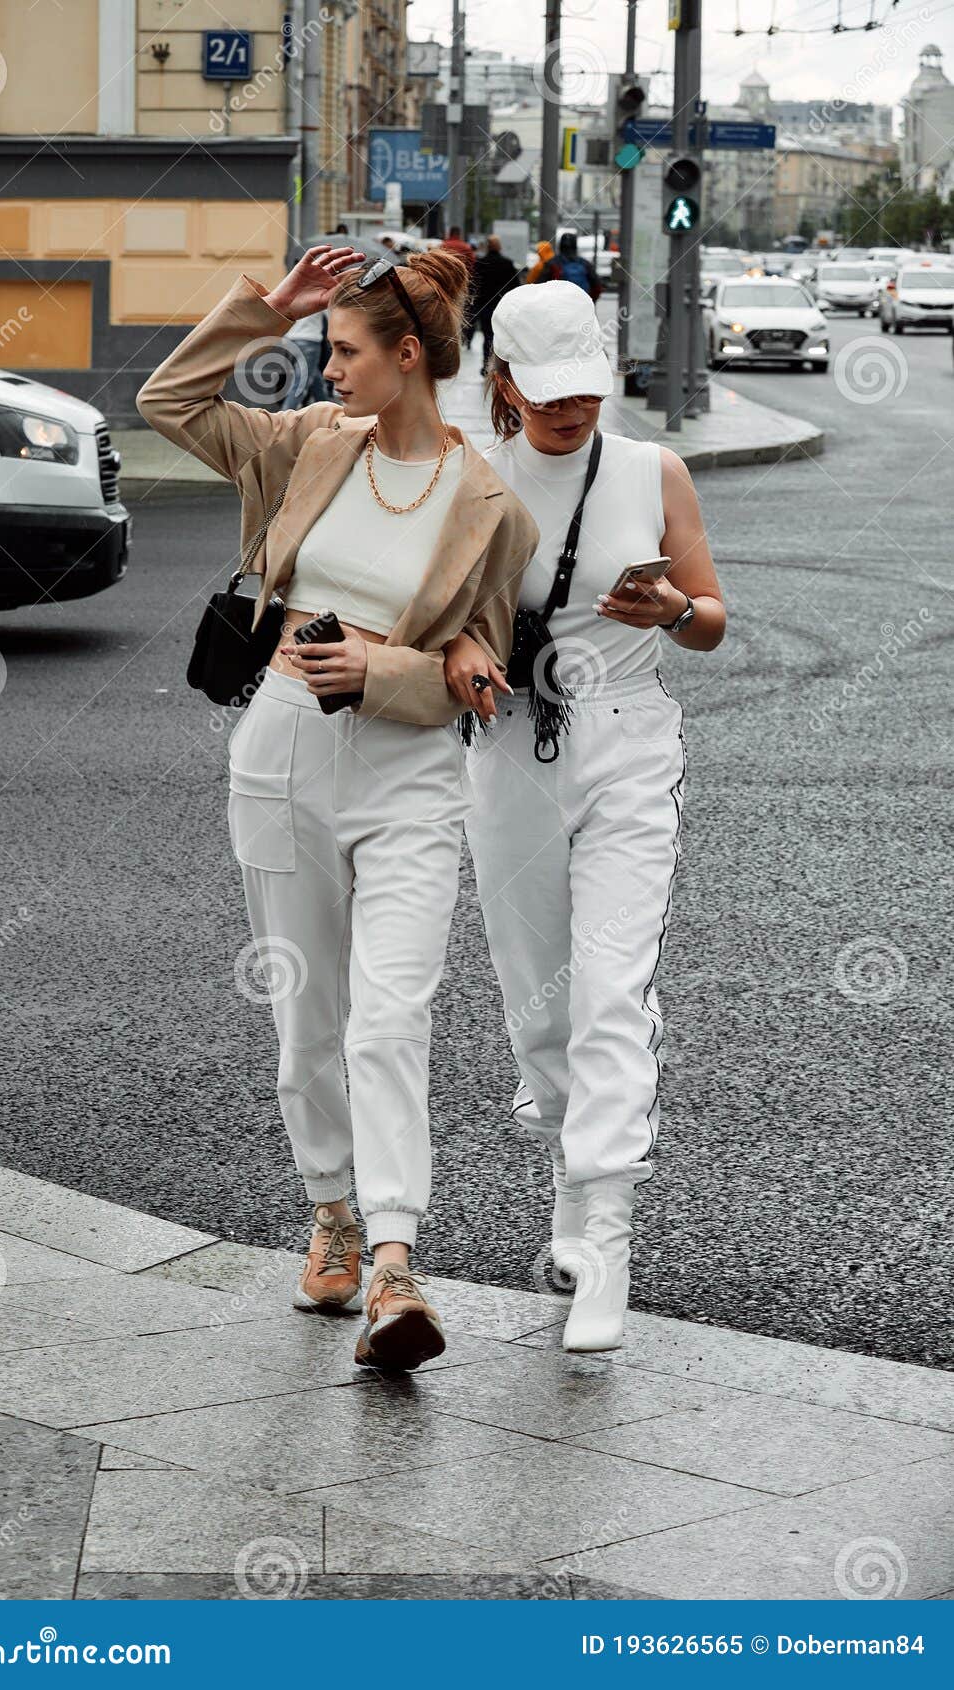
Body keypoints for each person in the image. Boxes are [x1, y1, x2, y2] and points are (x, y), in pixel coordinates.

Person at [137, 246, 537, 1372]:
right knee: (305, 1019)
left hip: (408, 775)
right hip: (278, 755)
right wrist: (266, 313)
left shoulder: (487, 499)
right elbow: (168, 402)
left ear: (408, 357)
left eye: (347, 350)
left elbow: (482, 666)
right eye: (323, 347)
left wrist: (385, 672)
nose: (328, 365)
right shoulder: (310, 442)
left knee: (389, 1019)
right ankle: (330, 1211)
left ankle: (397, 1263)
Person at [443, 282, 726, 1354]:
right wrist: (461, 648)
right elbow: (433, 622)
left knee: (612, 986)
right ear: (502, 381)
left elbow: (708, 621)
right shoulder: (471, 479)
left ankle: (603, 1231)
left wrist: (671, 610)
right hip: (507, 750)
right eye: (546, 391)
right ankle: (569, 1183)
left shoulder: (653, 471)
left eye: (586, 389)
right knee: (538, 1003)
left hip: (626, 744)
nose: (570, 411)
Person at [471, 235, 520, 369]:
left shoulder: (480, 263)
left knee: (487, 336)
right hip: (503, 306)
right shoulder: (507, 263)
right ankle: (499, 365)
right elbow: (515, 286)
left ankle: (486, 364)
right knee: (502, 336)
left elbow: (474, 285)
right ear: (499, 246)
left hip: (485, 305)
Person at [533, 232, 601, 299]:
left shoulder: (552, 263)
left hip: (558, 303)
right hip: (581, 303)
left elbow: (539, 286)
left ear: (560, 245)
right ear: (575, 245)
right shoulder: (585, 264)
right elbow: (597, 286)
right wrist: (590, 301)